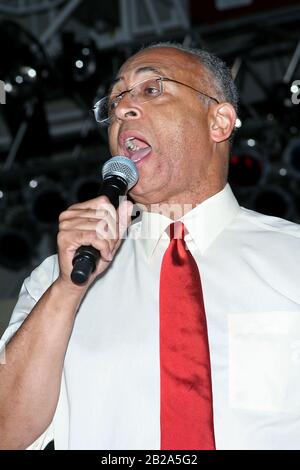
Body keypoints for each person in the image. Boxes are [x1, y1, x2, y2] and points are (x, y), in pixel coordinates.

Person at [1, 41, 300, 450]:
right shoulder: (57, 279)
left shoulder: (293, 257)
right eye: (115, 100)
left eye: (152, 89)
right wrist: (68, 291)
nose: (122, 109)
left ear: (220, 121)